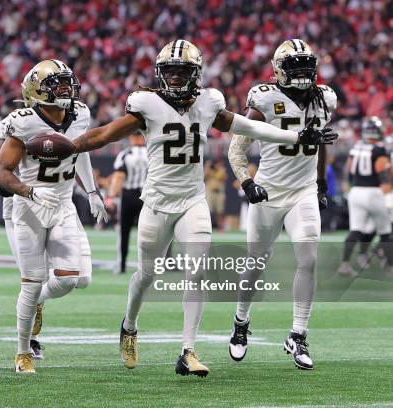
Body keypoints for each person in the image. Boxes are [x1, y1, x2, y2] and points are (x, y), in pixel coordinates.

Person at [71, 39, 337, 377]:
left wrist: (296, 139)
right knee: (145, 275)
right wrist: (68, 146)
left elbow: (247, 127)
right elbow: (104, 135)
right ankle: (130, 324)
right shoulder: (146, 104)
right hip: (156, 201)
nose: (177, 79)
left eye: (183, 73)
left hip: (193, 200)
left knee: (196, 273)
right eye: (171, 72)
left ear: (196, 74)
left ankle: (188, 351)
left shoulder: (209, 103)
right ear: (160, 74)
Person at [227, 39, 338, 370]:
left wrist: (320, 184)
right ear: (278, 71)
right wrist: (247, 182)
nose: (303, 74)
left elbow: (321, 142)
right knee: (256, 264)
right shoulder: (265, 98)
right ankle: (240, 323)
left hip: (301, 191)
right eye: (295, 67)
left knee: (310, 257)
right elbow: (237, 146)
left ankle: (298, 335)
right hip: (269, 191)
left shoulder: (324, 98)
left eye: (307, 66)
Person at [0, 59, 107, 374]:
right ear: (36, 90)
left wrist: (93, 191)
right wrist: (29, 191)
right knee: (30, 282)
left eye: (66, 83)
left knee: (70, 279)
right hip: (30, 207)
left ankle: (38, 303)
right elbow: (0, 172)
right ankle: (22, 352)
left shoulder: (80, 113)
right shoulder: (23, 121)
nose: (64, 90)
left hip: (63, 205)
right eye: (55, 85)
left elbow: (79, 150)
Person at [337, 116, 392, 277]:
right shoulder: (380, 150)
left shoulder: (356, 148)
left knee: (355, 230)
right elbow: (383, 175)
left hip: (356, 192)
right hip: (374, 192)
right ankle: (390, 266)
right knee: (386, 231)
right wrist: (387, 196)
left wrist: (347, 186)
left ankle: (345, 265)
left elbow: (348, 170)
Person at [106, 133, 148, 274]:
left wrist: (111, 197)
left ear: (131, 138)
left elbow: (119, 177)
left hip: (129, 196)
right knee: (152, 233)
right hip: (148, 197)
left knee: (124, 232)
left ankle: (122, 265)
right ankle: (155, 266)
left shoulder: (126, 154)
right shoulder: (152, 153)